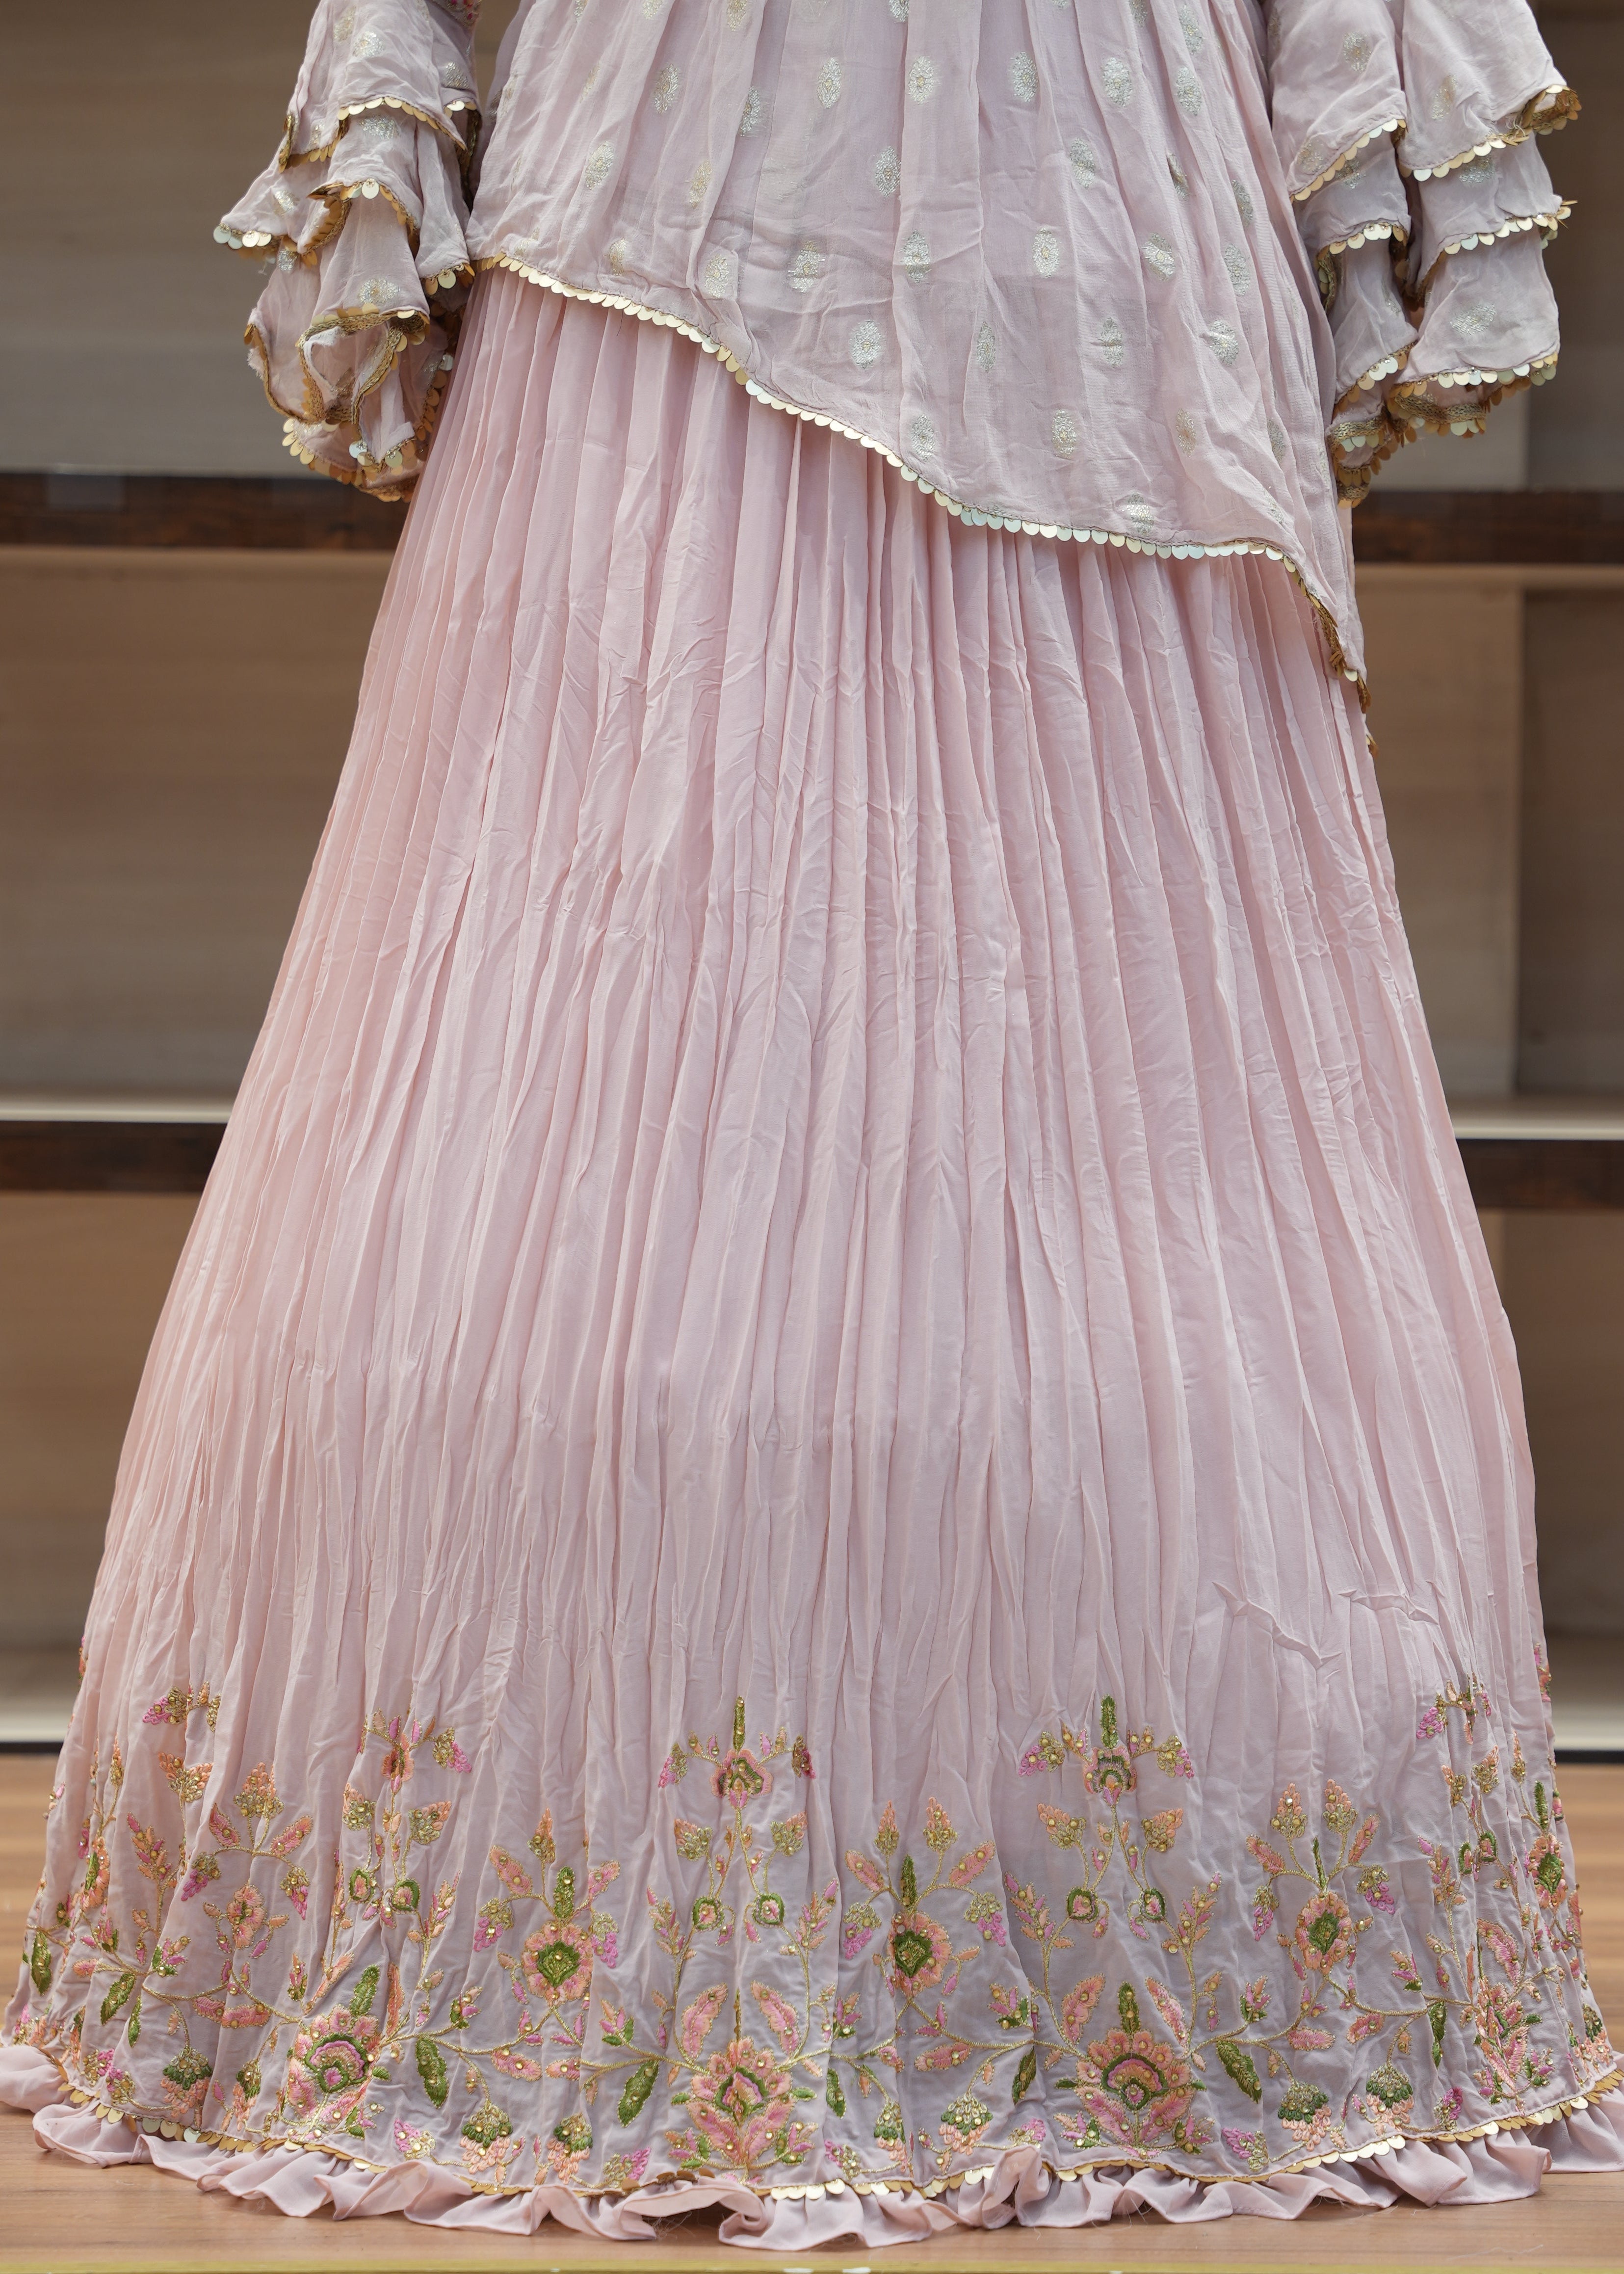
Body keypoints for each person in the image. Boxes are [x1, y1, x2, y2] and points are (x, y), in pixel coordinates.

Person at [3, 0, 1619, 2245]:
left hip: (1045, 186)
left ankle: (1113, 1902)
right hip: (747, 157)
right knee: (642, 907)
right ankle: (613, 1919)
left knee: (1066, 1023)